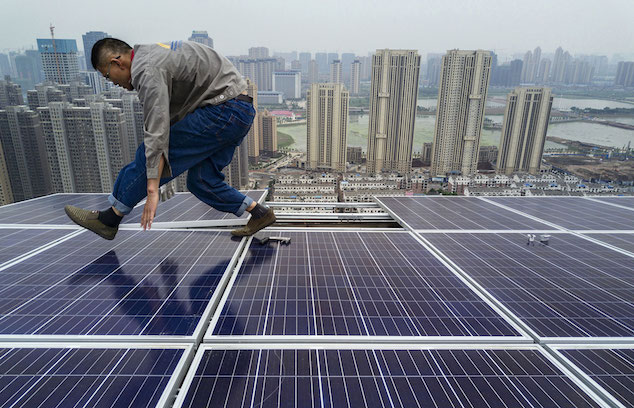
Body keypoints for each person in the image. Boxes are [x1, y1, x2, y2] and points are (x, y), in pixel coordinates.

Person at [64, 38, 275, 240]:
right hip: (239, 111)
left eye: (108, 76)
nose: (113, 83)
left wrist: (152, 188)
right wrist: (160, 174)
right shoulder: (153, 56)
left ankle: (110, 219)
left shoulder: (146, 70)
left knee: (146, 154)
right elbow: (172, 116)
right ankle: (259, 213)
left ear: (117, 62)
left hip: (223, 111)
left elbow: (157, 133)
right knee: (201, 180)